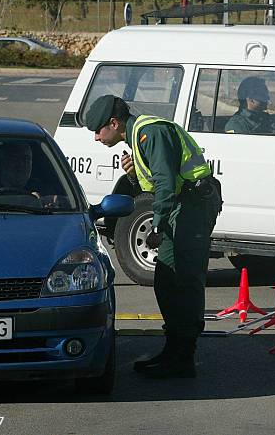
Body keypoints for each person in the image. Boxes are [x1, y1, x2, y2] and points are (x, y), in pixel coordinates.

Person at [86, 94, 222, 379]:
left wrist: (158, 225)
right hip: (184, 206)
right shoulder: (138, 137)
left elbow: (166, 182)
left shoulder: (151, 132)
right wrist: (135, 176)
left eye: (98, 130)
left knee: (184, 278)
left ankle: (183, 355)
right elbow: (153, 184)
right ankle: (174, 349)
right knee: (167, 278)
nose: (97, 138)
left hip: (192, 206)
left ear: (113, 123)